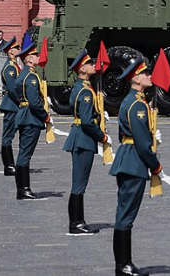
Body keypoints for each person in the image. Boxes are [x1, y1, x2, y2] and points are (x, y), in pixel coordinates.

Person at [110, 58, 162, 276]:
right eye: (146, 73)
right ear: (137, 78)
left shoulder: (133, 101)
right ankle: (124, 266)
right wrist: (155, 164)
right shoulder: (137, 105)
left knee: (125, 214)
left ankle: (124, 264)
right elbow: (141, 142)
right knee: (126, 216)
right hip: (134, 162)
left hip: (128, 158)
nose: (150, 76)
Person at [64, 50, 111, 235]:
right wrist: (102, 136)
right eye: (90, 64)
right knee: (79, 184)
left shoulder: (80, 87)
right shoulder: (85, 92)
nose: (94, 66)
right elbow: (86, 121)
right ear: (82, 69)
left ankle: (78, 221)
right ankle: (76, 223)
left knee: (79, 182)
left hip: (79, 136)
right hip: (84, 138)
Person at [15, 43, 51, 199]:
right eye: (36, 55)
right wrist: (45, 116)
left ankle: (22, 189)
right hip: (31, 116)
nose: (39, 57)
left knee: (23, 152)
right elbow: (35, 102)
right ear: (29, 59)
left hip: (24, 114)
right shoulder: (31, 77)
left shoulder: (24, 74)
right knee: (25, 154)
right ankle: (24, 189)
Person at [0, 38, 27, 176]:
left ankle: (11, 165)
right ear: (11, 51)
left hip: (14, 105)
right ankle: (8, 165)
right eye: (17, 48)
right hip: (12, 105)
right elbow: (12, 87)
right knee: (8, 136)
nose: (19, 50)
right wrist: (22, 99)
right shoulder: (10, 67)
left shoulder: (14, 66)